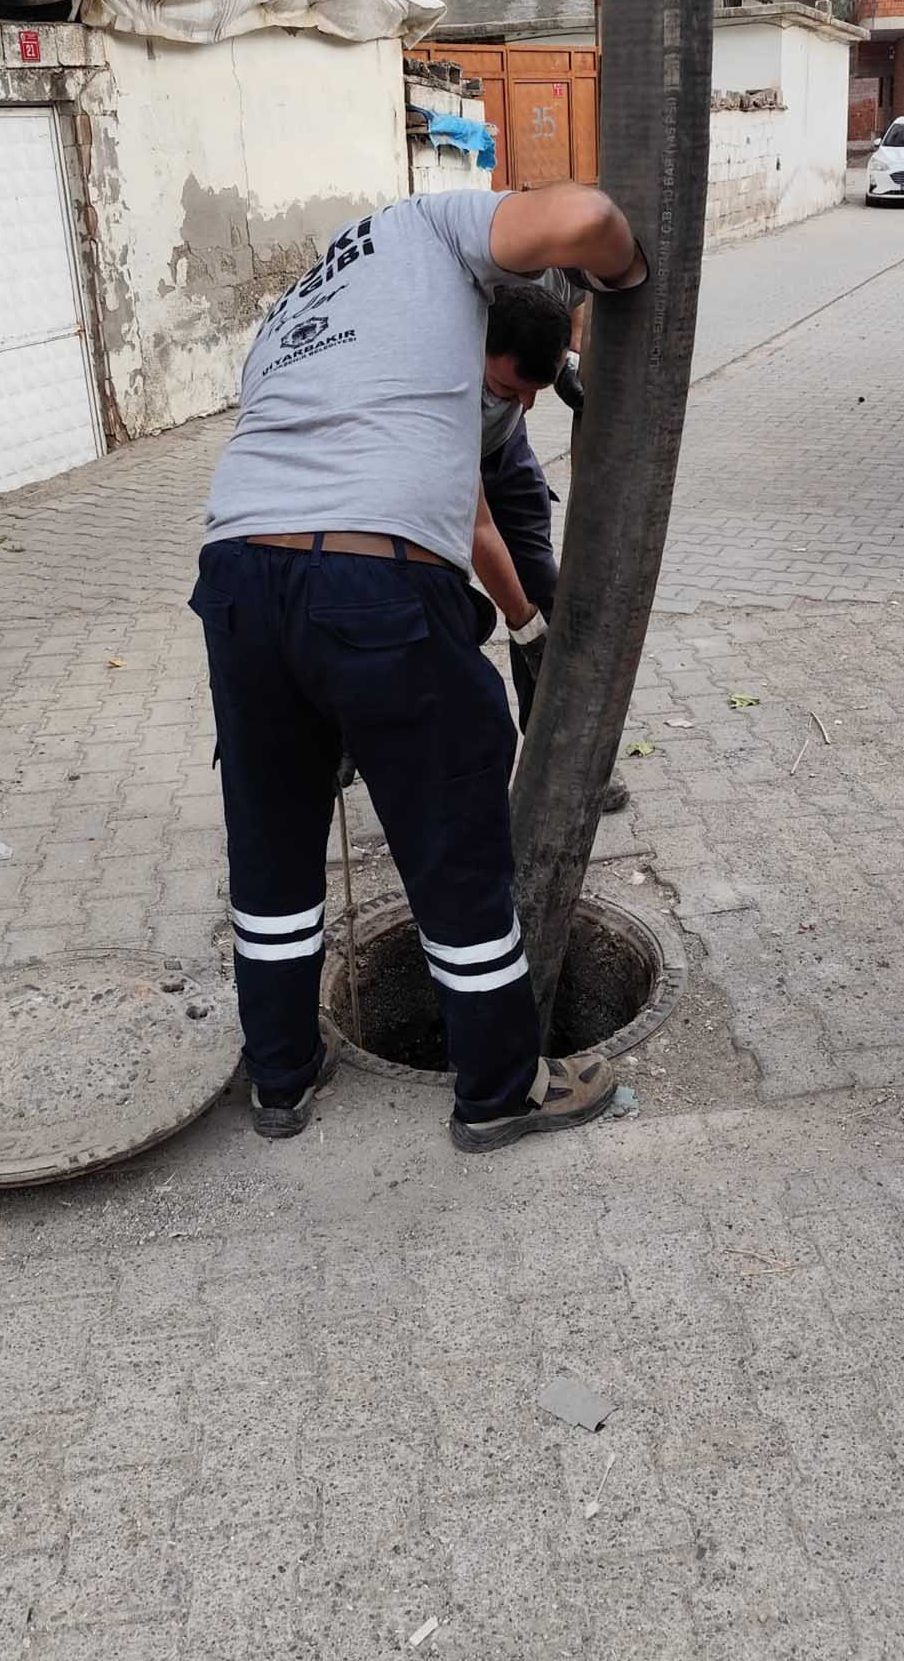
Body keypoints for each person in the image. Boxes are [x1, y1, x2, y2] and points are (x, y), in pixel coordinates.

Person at [190, 184, 646, 1151]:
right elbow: (588, 217)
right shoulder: (434, 226)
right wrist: (623, 284)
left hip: (235, 579)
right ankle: (498, 1090)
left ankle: (281, 1076)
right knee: (454, 841)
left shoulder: (296, 308)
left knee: (269, 843)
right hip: (374, 580)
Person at [476, 277, 630, 811]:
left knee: (549, 597)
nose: (526, 403)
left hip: (505, 455)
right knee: (432, 612)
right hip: (435, 466)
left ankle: (556, 764)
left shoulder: (542, 277)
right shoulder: (437, 374)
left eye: (532, 392)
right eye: (506, 388)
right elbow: (477, 532)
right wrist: (521, 621)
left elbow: (582, 289)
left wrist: (565, 358)